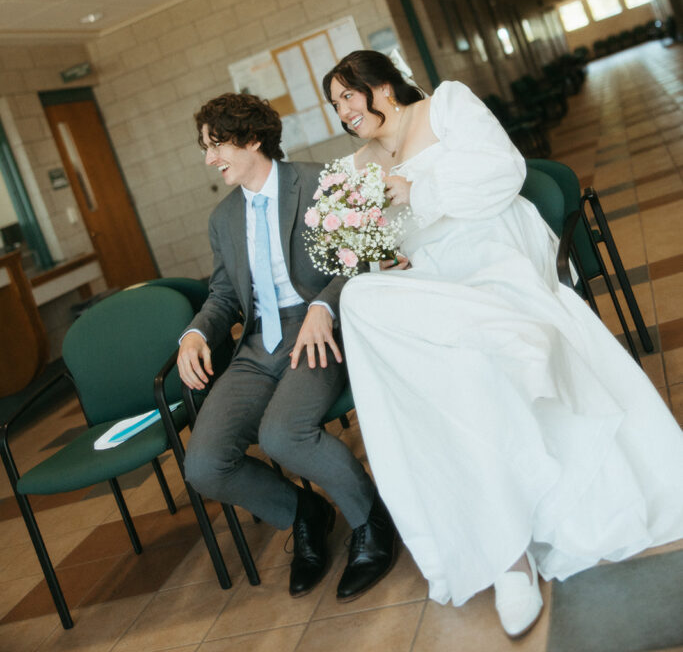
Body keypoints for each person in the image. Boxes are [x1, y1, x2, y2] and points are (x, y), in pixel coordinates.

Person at [321, 49, 683, 637]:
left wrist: (415, 191)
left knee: (468, 362)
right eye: (334, 105)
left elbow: (503, 172)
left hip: (492, 246)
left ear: (382, 86)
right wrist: (382, 252)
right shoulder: (357, 164)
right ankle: (501, 552)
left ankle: (511, 556)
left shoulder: (447, 104)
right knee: (360, 296)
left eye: (347, 97)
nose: (342, 112)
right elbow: (384, 239)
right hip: (431, 276)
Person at [178, 92, 398, 601]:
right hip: (258, 346)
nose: (209, 159)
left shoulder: (320, 182)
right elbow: (224, 295)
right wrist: (195, 333)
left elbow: (363, 257)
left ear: (253, 139)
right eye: (206, 147)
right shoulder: (222, 219)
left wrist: (324, 306)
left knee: (282, 436)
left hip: (320, 328)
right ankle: (306, 512)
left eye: (217, 145)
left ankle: (370, 520)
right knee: (204, 465)